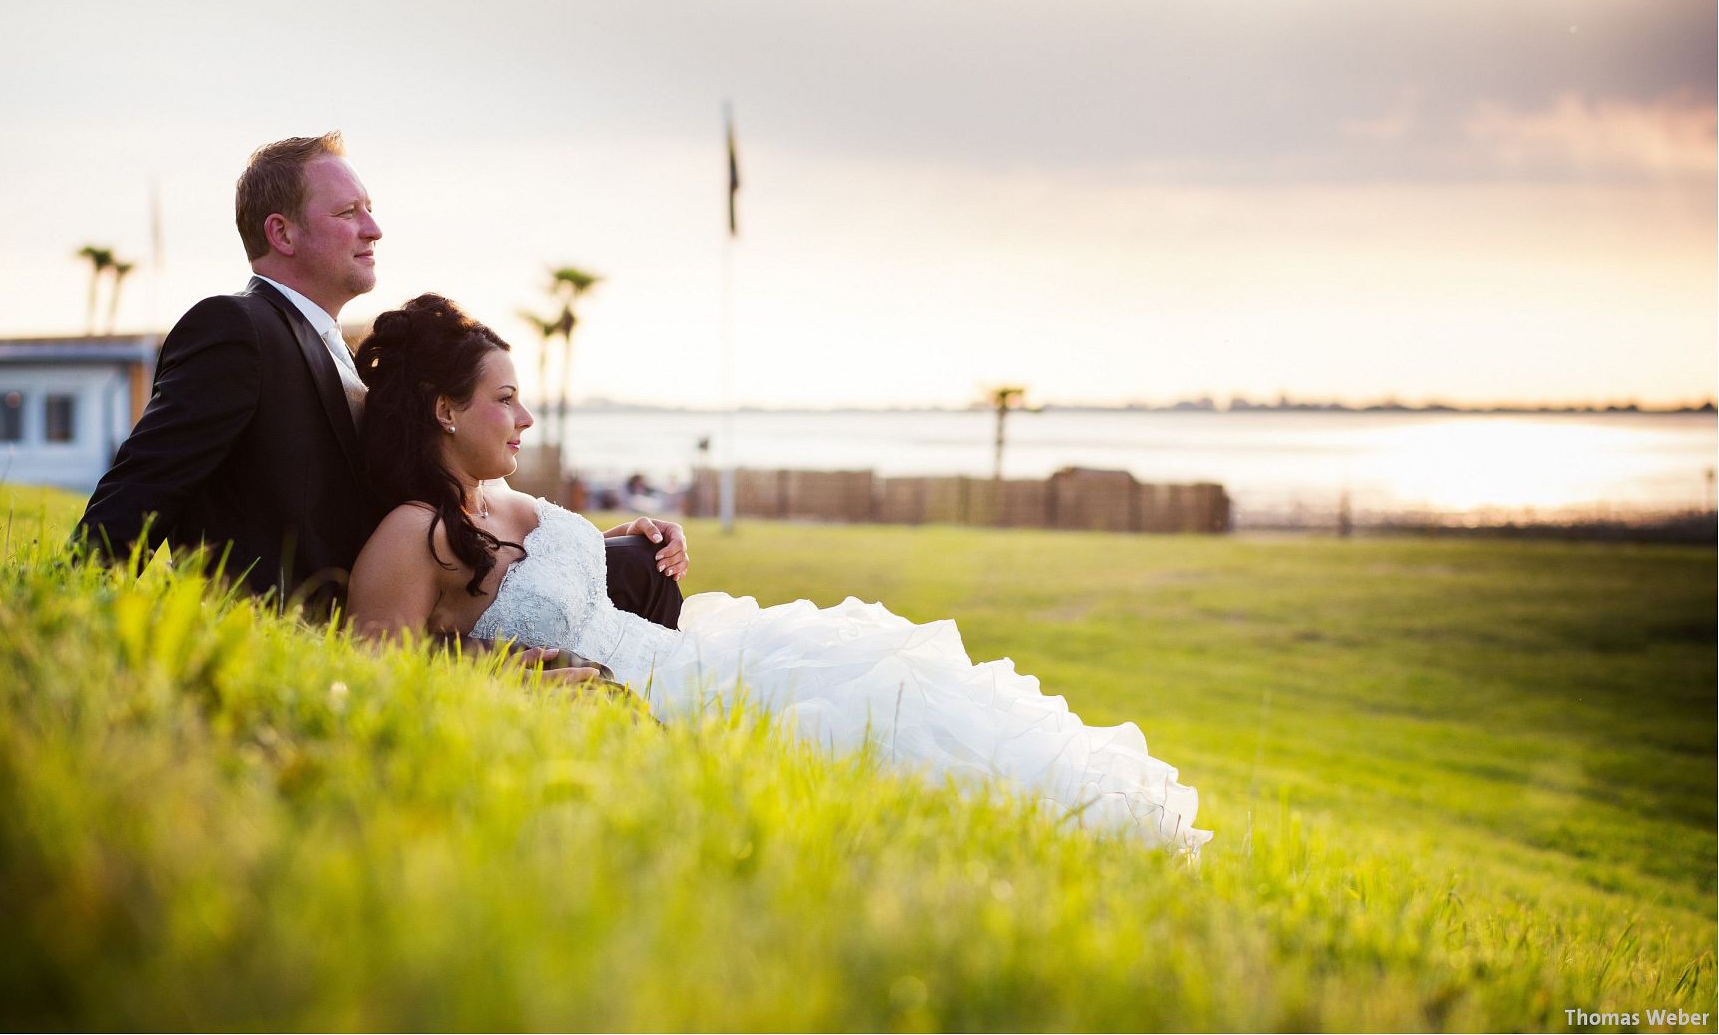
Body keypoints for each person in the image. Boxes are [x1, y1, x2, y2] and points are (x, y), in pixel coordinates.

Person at [347, 295, 1211, 852]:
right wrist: (509, 679)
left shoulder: (493, 497)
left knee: (892, 678)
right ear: (445, 409)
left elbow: (547, 573)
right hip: (647, 687)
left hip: (688, 648)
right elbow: (378, 676)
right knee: (866, 715)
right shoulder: (409, 534)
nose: (525, 416)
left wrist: (624, 540)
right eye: (504, 399)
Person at [74, 133, 686, 679]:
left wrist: (575, 548)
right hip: (303, 646)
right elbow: (141, 490)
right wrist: (82, 621)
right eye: (348, 213)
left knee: (637, 567)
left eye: (370, 209)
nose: (374, 228)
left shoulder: (336, 348)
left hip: (411, 616)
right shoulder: (237, 327)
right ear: (281, 232)